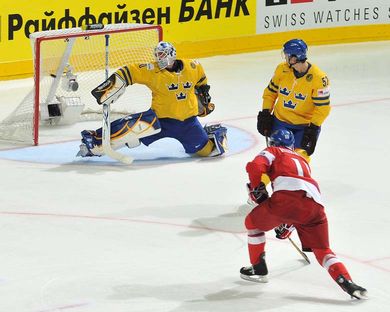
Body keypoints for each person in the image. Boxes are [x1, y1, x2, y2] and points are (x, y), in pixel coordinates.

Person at [240, 129, 367, 300]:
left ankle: (258, 268)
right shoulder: (302, 159)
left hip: (286, 200)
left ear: (272, 143)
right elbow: (301, 198)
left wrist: (256, 187)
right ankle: (348, 282)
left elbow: (255, 166)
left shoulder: (273, 151)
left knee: (252, 224)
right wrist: (290, 224)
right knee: (323, 250)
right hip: (315, 207)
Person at [77, 41, 227, 158]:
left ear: (172, 54)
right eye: (158, 55)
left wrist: (203, 100)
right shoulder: (152, 70)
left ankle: (211, 134)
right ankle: (94, 140)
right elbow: (130, 71)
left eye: (163, 55)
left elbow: (201, 82)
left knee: (209, 152)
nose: (159, 58)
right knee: (131, 132)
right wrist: (111, 87)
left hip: (188, 123)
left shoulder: (193, 66)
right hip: (160, 120)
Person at [257, 39, 331, 162]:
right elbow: (270, 93)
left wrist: (313, 127)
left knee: (298, 160)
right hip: (280, 122)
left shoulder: (319, 78)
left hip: (304, 126)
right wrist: (266, 112)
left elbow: (323, 108)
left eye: (287, 55)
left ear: (294, 58)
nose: (285, 58)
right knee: (276, 158)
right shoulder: (282, 69)